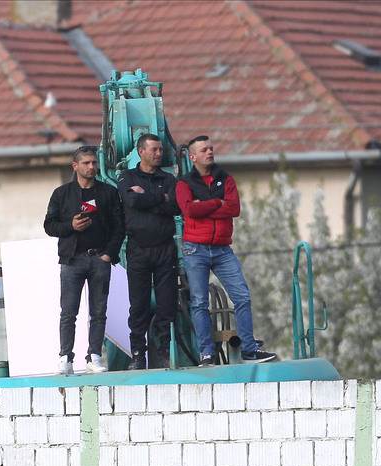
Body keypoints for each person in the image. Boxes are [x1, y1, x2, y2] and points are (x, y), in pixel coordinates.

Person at [176, 135, 277, 365]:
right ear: (192, 157)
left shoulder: (226, 179)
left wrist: (205, 206)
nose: (209, 152)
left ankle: (249, 349)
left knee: (242, 296)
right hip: (195, 249)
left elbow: (234, 208)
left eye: (211, 148)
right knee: (199, 302)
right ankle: (206, 353)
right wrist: (216, 203)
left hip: (222, 249)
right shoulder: (184, 183)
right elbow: (189, 210)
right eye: (204, 150)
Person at [44, 145, 125, 374]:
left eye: (94, 163)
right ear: (75, 166)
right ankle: (65, 358)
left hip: (99, 258)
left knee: (98, 312)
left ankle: (94, 356)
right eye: (86, 163)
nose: (91, 167)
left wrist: (108, 254)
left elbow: (119, 226)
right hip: (72, 259)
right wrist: (71, 226)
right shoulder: (62, 194)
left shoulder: (108, 193)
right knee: (68, 312)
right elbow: (49, 226)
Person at [118, 133, 181, 369]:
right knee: (138, 305)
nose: (158, 154)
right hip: (139, 249)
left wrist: (146, 196)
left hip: (165, 249)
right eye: (154, 150)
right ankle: (137, 354)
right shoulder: (127, 177)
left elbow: (175, 206)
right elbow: (132, 202)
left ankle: (164, 350)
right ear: (141, 151)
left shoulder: (168, 178)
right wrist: (159, 199)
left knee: (167, 303)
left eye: (160, 150)